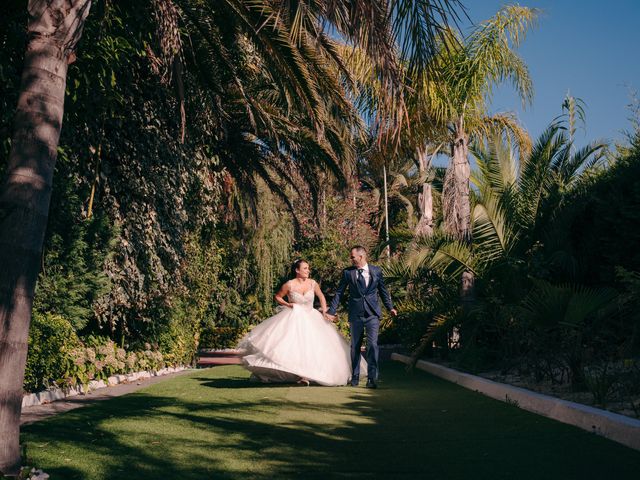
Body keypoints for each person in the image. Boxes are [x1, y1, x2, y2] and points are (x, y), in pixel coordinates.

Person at [238, 259, 364, 386]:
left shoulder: (313, 283)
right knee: (295, 346)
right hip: (294, 317)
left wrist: (325, 310)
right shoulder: (289, 284)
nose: (308, 271)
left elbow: (321, 296)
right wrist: (288, 304)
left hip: (311, 316)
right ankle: (301, 375)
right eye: (305, 268)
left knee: (314, 347)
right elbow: (277, 297)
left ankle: (309, 374)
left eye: (308, 268)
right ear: (297, 270)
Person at [326, 246, 397, 389]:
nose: (351, 259)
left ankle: (372, 379)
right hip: (355, 314)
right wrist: (331, 311)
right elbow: (339, 292)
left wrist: (390, 307)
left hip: (372, 314)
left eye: (352, 257)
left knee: (372, 345)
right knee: (355, 347)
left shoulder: (376, 271)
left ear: (361, 256)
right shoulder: (348, 273)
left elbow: (383, 291)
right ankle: (355, 377)